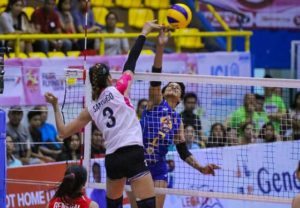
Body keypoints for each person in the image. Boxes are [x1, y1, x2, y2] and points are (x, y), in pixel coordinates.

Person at [45, 21, 161, 208]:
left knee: (113, 205)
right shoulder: (119, 89)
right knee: (148, 204)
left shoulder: (91, 108)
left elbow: (63, 132)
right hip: (132, 151)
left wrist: (55, 105)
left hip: (113, 158)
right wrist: (144, 31)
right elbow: (131, 61)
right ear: (109, 79)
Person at [128, 28, 220, 208]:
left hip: (159, 167)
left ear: (179, 100)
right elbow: (155, 76)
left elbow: (183, 151)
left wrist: (201, 167)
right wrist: (160, 47)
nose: (174, 87)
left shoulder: (177, 120)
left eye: (178, 88)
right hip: (138, 162)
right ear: (163, 92)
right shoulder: (155, 103)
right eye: (170, 85)